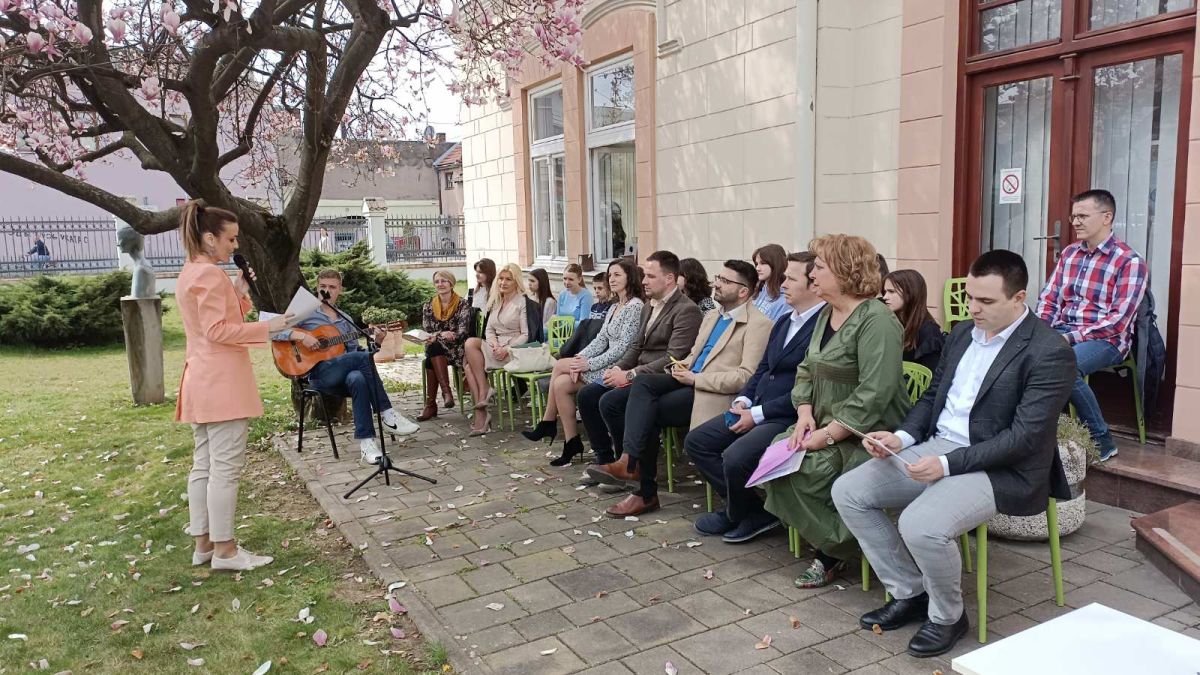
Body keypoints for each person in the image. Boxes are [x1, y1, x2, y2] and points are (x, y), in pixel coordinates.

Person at [833, 250, 1075, 658]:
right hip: (939, 447)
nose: (972, 308)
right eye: (969, 297)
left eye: (986, 301)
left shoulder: (1049, 350)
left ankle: (947, 616)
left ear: (1019, 299)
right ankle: (909, 592)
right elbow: (933, 397)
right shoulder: (962, 333)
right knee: (849, 492)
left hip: (1002, 465)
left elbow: (1025, 437)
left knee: (921, 524)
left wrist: (945, 465)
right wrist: (901, 438)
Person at [763, 234, 910, 589]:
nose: (812, 275)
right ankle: (845, 542)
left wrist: (827, 436)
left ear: (846, 271)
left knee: (808, 471)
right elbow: (805, 369)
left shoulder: (878, 321)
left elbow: (875, 392)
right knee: (773, 460)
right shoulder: (826, 313)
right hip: (823, 420)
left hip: (870, 430)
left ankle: (836, 550)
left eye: (821, 267)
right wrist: (804, 413)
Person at [589, 260, 771, 517]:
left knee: (643, 409)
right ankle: (631, 467)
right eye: (719, 276)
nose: (717, 283)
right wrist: (680, 366)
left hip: (710, 392)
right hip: (688, 381)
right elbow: (694, 355)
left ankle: (641, 486)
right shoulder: (712, 316)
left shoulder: (759, 324)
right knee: (621, 398)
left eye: (726, 281)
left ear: (744, 291)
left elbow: (746, 378)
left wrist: (695, 379)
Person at [175, 202, 291, 571]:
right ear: (209, 238)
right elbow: (217, 331)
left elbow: (214, 321)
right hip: (220, 382)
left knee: (204, 465)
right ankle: (225, 550)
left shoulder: (191, 272)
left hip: (201, 378)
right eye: (230, 239)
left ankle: (204, 543)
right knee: (222, 468)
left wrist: (239, 293)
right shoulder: (208, 275)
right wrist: (268, 327)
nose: (234, 246)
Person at [686, 251, 825, 543]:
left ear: (814, 284)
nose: (782, 283)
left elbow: (809, 389)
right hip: (757, 406)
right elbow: (762, 368)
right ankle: (750, 510)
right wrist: (743, 401)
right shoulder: (787, 320)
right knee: (698, 442)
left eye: (790, 278)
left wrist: (757, 414)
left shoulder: (823, 328)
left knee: (735, 457)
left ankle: (740, 513)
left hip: (788, 415)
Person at [1036, 189, 1147, 462]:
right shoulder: (1070, 254)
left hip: (1107, 339)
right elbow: (1049, 299)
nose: (1075, 222)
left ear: (1107, 217)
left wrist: (1071, 338)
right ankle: (1030, 433)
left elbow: (1119, 321)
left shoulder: (1129, 262)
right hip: (1065, 331)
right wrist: (1040, 331)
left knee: (1065, 365)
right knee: (1019, 354)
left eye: (1083, 216)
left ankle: (1102, 440)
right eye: (1074, 216)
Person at [576, 251, 702, 475]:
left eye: (651, 276)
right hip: (637, 373)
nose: (643, 280)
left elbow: (673, 357)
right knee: (587, 395)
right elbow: (635, 346)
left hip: (660, 378)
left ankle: (631, 464)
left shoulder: (686, 310)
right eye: (644, 276)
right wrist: (619, 368)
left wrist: (630, 374)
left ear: (669, 278)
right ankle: (605, 458)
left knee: (610, 402)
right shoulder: (649, 306)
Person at [275, 269, 420, 463]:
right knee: (361, 363)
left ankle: (367, 445)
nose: (326, 291)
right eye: (322, 286)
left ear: (340, 290)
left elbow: (357, 354)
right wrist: (302, 336)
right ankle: (387, 414)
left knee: (358, 378)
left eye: (332, 287)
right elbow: (273, 330)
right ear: (317, 288)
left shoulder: (345, 320)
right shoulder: (305, 314)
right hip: (318, 375)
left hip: (342, 379)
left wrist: (377, 342)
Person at [523, 258, 645, 465]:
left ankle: (548, 422)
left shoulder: (634, 306)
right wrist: (581, 358)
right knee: (561, 384)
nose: (612, 279)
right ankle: (571, 442)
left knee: (561, 365)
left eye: (617, 275)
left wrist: (588, 364)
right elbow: (601, 340)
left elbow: (623, 348)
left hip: (618, 366)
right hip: (603, 361)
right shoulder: (616, 305)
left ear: (630, 277)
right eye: (610, 275)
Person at [463, 263, 529, 435]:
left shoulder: (522, 302)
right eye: (501, 278)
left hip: (514, 350)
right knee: (470, 343)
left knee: (469, 366)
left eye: (508, 279)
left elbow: (526, 334)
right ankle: (485, 390)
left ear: (516, 282)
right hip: (495, 347)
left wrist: (506, 348)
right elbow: (489, 330)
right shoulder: (496, 299)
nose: (503, 283)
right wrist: (493, 344)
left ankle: (481, 416)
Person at [417, 269, 472, 421]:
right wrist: (441, 334)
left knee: (431, 353)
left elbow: (462, 333)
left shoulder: (462, 304)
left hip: (457, 349)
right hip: (437, 348)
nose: (440, 284)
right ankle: (445, 393)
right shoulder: (428, 305)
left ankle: (431, 405)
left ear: (451, 283)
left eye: (444, 281)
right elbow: (428, 331)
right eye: (437, 281)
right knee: (433, 348)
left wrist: (438, 336)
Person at [882, 270, 945, 372]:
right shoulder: (894, 323)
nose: (885, 297)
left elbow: (931, 378)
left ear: (910, 292)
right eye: (885, 292)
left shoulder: (929, 332)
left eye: (891, 291)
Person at [751, 244, 790, 321]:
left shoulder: (786, 298)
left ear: (776, 264)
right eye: (756, 264)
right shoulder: (758, 290)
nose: (757, 268)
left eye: (763, 263)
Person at [527, 268, 557, 332]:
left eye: (532, 281)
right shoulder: (529, 298)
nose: (529, 283)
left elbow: (548, 326)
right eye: (529, 280)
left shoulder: (550, 302)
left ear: (541, 282)